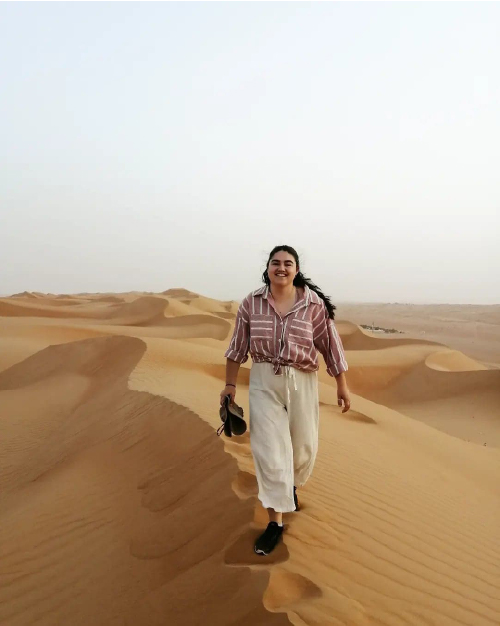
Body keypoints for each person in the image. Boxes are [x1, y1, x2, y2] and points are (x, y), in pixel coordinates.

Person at [220, 245, 350, 556]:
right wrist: (229, 385)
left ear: (296, 269)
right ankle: (275, 522)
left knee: (303, 447)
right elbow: (237, 347)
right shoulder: (251, 303)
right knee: (270, 451)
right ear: (267, 268)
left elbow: (330, 344)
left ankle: (289, 485)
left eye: (287, 263)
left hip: (303, 381)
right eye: (275, 262)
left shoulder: (312, 304)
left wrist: (341, 384)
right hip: (264, 380)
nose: (281, 267)